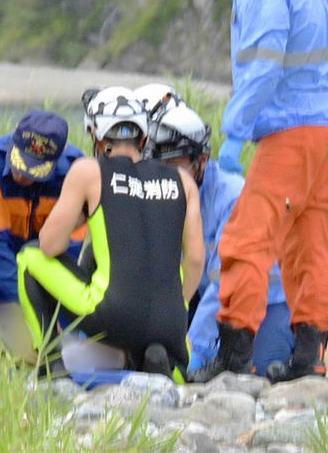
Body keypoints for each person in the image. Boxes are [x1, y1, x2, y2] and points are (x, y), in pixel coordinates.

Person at [191, 0, 328, 382]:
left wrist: (233, 134)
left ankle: (232, 357)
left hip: (290, 134)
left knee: (246, 241)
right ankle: (309, 357)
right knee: (311, 245)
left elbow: (263, 70)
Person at [16, 87, 204, 381]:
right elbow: (195, 259)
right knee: (167, 298)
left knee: (28, 257)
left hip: (112, 313)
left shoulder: (89, 171)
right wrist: (176, 306)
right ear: (144, 138)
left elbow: (49, 245)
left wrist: (84, 213)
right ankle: (163, 362)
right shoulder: (183, 181)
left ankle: (50, 362)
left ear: (95, 134)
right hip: (170, 323)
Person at [144, 99, 295, 377]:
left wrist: (195, 349)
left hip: (268, 303)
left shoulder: (232, 196)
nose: (164, 175)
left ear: (200, 161)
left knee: (254, 369)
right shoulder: (159, 193)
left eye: (173, 165)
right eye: (157, 166)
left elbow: (223, 283)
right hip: (204, 301)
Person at [0, 110, 85, 305]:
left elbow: (71, 248)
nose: (22, 175)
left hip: (47, 278)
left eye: (34, 170)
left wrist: (50, 302)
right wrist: (29, 302)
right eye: (18, 164)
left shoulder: (76, 172)